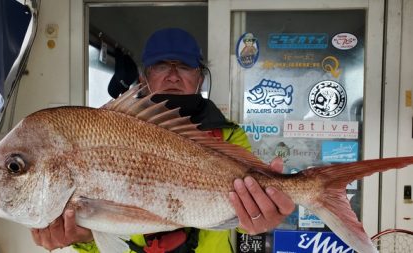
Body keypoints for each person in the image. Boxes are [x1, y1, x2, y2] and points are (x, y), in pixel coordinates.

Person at [31, 28, 295, 253]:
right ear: (144, 79)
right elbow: (105, 237)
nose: (172, 75)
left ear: (200, 77)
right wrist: (83, 239)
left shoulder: (228, 135)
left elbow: (241, 217)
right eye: (161, 65)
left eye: (183, 66)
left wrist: (261, 214)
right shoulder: (108, 131)